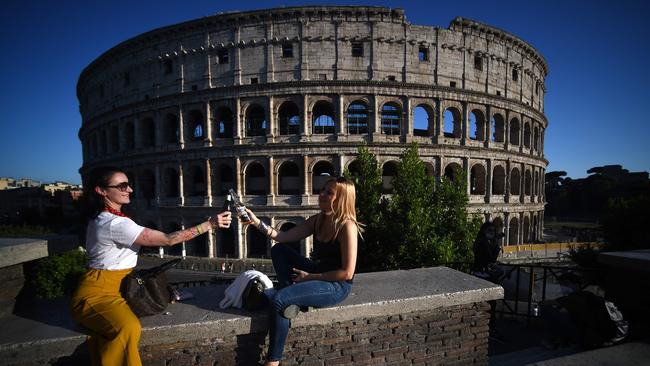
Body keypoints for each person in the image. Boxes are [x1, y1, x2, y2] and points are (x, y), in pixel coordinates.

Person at [70, 166, 231, 366]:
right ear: (101, 191)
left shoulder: (103, 218)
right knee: (128, 327)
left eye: (128, 185)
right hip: (96, 294)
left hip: (116, 288)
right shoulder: (115, 224)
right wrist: (209, 225)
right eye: (121, 186)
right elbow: (168, 239)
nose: (129, 190)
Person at [243, 176, 362, 366]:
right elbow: (281, 236)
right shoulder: (318, 220)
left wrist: (310, 277)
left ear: (341, 198)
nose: (321, 194)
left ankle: (273, 361)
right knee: (279, 250)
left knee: (279, 300)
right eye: (322, 190)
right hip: (317, 272)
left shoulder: (347, 226)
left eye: (328, 192)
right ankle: (290, 294)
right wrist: (256, 222)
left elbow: (347, 273)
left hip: (336, 285)